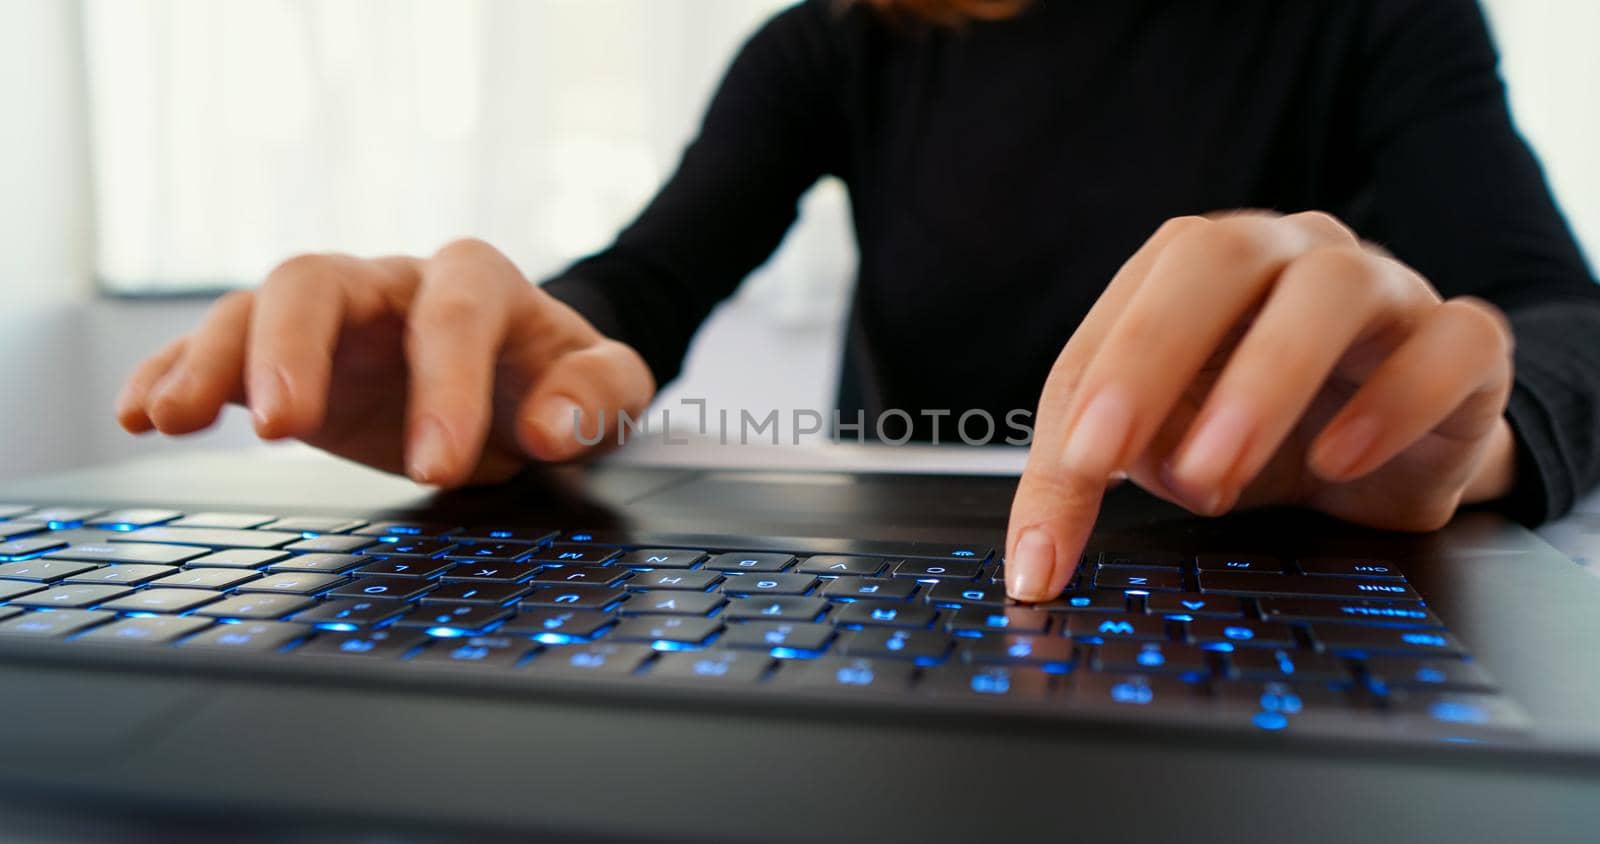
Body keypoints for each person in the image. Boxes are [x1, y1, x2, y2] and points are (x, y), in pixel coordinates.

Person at [115, 0, 1600, 603]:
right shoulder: (838, 44)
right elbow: (641, 285)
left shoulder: (1373, 20)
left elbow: (1557, 317)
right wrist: (515, 370)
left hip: (1271, 597)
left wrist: (1463, 442)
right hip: (911, 601)